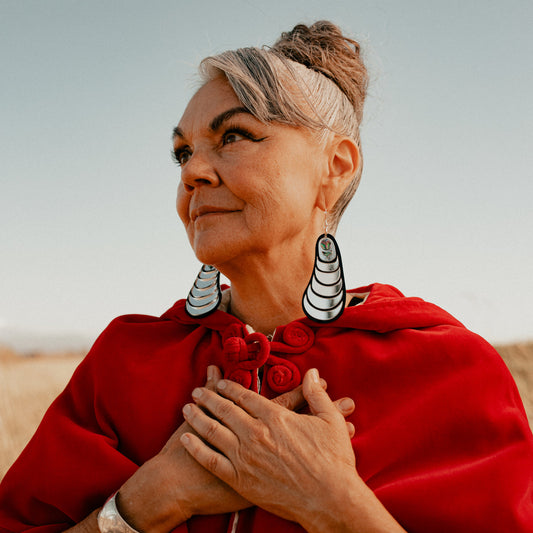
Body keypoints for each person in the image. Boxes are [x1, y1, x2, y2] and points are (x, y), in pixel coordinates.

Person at [0, 20, 532, 533]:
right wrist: (151, 498)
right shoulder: (123, 363)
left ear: (337, 166)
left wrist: (330, 501)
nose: (190, 172)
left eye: (233, 135)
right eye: (182, 152)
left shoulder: (451, 372)